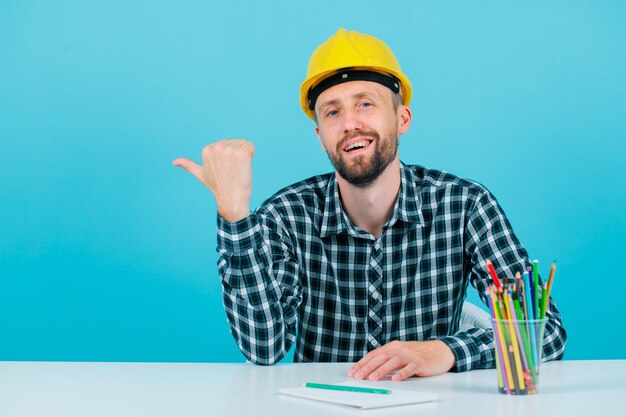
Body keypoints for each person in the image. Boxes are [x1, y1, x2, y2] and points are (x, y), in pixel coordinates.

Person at [173, 28, 566, 381]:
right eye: (332, 112)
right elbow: (264, 349)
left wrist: (446, 351)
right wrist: (236, 215)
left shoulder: (464, 205)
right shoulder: (285, 217)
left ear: (402, 118)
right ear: (320, 136)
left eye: (366, 104)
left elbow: (546, 331)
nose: (349, 124)